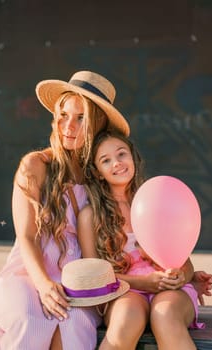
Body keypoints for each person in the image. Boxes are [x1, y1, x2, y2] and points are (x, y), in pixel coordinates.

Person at [0, 71, 130, 350]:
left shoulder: (98, 176)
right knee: (30, 320)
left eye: (81, 117)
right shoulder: (35, 165)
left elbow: (132, 224)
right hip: (28, 273)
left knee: (74, 327)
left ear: (97, 124)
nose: (68, 125)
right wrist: (44, 283)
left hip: (77, 282)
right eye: (63, 114)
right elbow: (25, 235)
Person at [77, 129, 211, 350]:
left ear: (133, 157)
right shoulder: (91, 216)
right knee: (125, 321)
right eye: (106, 160)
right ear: (98, 172)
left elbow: (184, 262)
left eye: (121, 154)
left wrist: (181, 276)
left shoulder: (157, 197)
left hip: (170, 292)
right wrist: (145, 283)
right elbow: (95, 277)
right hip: (124, 291)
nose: (117, 163)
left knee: (166, 315)